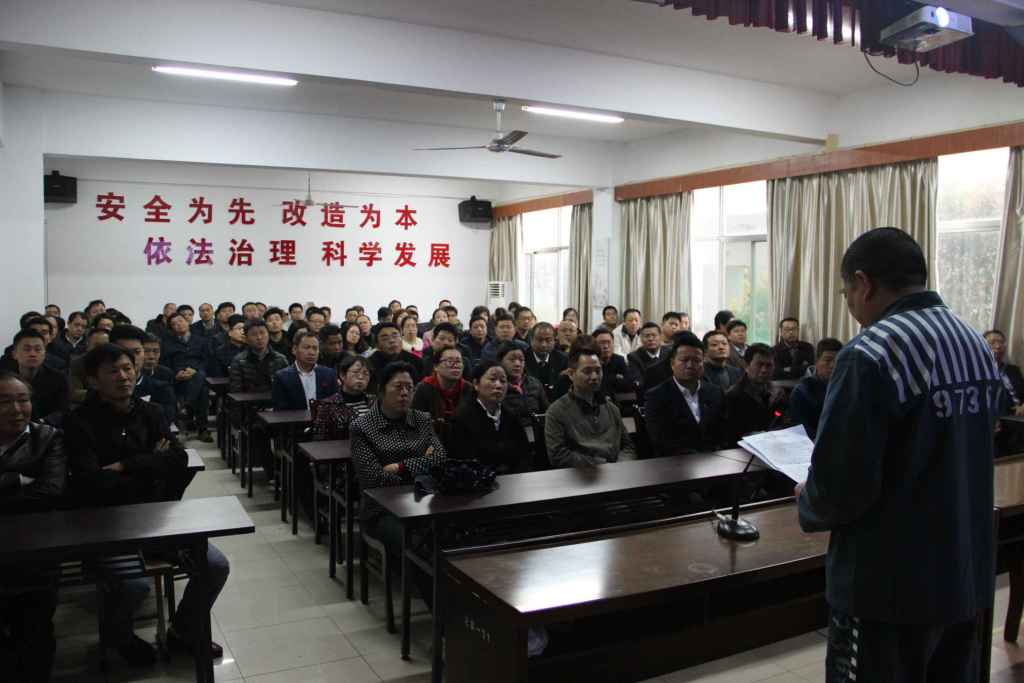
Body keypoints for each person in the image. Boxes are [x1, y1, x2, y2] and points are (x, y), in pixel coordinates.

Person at [796, 228, 1001, 683]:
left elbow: (840, 486)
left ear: (863, 283)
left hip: (888, 587)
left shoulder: (869, 353)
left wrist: (808, 498)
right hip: (963, 572)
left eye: (847, 293)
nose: (850, 306)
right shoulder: (973, 342)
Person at [65, 344, 228, 665]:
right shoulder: (78, 422)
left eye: (128, 368)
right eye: (113, 371)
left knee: (215, 566)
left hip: (156, 517)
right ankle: (120, 636)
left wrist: (126, 465)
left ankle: (183, 630)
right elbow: (91, 482)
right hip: (108, 524)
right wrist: (152, 463)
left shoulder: (151, 412)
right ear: (93, 380)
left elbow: (178, 458)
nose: (123, 376)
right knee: (134, 585)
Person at [351, 362, 445, 608]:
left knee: (451, 536)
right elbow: (373, 478)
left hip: (424, 500)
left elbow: (439, 458)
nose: (405, 393)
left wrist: (401, 467)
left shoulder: (421, 419)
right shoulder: (363, 427)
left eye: (409, 388)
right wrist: (419, 470)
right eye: (398, 387)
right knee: (419, 543)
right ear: (382, 390)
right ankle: (442, 612)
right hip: (382, 510)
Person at [0, 372, 65, 683]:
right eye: (4, 402)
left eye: (22, 400)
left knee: (34, 632)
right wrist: (16, 480)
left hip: (35, 550)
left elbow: (50, 491)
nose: (16, 409)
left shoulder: (48, 438)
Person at [545, 346, 636, 468]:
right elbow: (558, 455)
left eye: (598, 371)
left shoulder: (612, 408)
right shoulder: (556, 411)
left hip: (617, 471)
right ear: (571, 374)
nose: (594, 377)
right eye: (587, 371)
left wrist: (620, 465)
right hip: (581, 474)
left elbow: (628, 446)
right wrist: (601, 466)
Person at [644, 331, 727, 457]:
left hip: (714, 460)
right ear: (672, 364)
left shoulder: (715, 392)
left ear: (703, 363)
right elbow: (661, 440)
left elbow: (723, 432)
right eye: (684, 360)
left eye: (696, 360)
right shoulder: (656, 396)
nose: (690, 365)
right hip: (676, 463)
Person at [448, 360, 531, 473]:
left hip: (513, 478)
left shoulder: (511, 415)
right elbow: (462, 461)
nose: (498, 385)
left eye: (503, 381)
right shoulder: (462, 418)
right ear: (476, 384)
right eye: (492, 379)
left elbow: (524, 454)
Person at [109, 325, 177, 427]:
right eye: (124, 352)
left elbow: (162, 424)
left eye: (137, 352)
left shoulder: (162, 389)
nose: (132, 358)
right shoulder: (101, 387)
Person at [161, 312, 213, 441]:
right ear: (172, 329)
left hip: (197, 374)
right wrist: (176, 374)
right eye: (174, 324)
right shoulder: (167, 343)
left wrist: (195, 370)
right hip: (178, 379)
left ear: (187, 322)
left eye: (180, 321)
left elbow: (208, 360)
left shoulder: (201, 340)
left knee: (201, 381)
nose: (178, 324)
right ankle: (202, 429)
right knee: (202, 388)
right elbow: (165, 363)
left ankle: (186, 407)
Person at [723, 344, 787, 446]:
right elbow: (729, 435)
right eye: (759, 365)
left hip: (774, 444)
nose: (764, 370)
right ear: (746, 366)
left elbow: (782, 420)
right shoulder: (733, 396)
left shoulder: (778, 393)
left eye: (769, 365)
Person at [412, 346, 473, 444]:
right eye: (449, 361)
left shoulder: (469, 389)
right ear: (436, 366)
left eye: (459, 361)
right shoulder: (423, 389)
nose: (455, 365)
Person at [787, 338, 842, 440]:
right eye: (828, 360)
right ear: (816, 361)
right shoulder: (802, 391)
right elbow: (801, 428)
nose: (833, 365)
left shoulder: (845, 386)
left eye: (838, 360)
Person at [8, 330, 69, 421]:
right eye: (27, 349)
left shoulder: (58, 378)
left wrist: (41, 422)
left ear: (44, 354)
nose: (32, 354)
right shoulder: (5, 379)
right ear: (14, 354)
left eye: (38, 349)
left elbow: (63, 411)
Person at [310, 355, 373, 440]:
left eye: (366, 374)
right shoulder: (328, 405)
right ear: (342, 375)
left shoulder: (376, 402)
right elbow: (319, 439)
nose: (361, 377)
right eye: (355, 372)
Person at [272, 330, 339, 411]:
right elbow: (280, 410)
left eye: (315, 348)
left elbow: (336, 406)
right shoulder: (282, 377)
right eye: (307, 348)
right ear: (294, 349)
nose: (311, 353)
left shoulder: (329, 374)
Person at [228, 319, 289, 394]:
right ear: (246, 339)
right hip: (247, 400)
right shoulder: (239, 361)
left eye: (262, 333)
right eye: (254, 334)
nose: (259, 337)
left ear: (268, 335)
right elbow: (236, 391)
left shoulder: (280, 359)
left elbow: (287, 387)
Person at [498, 343, 548, 426]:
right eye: (512, 360)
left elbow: (546, 411)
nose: (517, 364)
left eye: (521, 360)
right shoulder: (497, 386)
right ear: (500, 361)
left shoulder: (534, 383)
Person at [366, 323, 422, 392]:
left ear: (401, 339)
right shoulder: (369, 364)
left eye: (395, 336)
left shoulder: (416, 361)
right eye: (385, 338)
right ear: (377, 345)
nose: (391, 340)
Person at [525, 322, 567, 399]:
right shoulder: (523, 358)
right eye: (539, 340)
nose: (543, 345)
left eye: (548, 340)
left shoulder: (562, 359)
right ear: (531, 340)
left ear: (554, 341)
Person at [69, 327, 110, 406]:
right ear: (88, 344)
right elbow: (75, 393)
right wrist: (106, 393)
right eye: (97, 345)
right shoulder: (77, 364)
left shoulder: (115, 362)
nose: (101, 350)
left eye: (105, 346)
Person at [627, 322, 669, 389]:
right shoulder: (634, 357)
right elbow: (639, 383)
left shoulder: (670, 353)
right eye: (647, 336)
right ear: (641, 339)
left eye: (654, 335)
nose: (650, 339)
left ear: (661, 337)